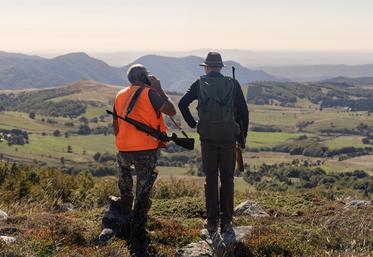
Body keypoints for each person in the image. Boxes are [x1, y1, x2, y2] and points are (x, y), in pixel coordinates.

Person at [100, 64, 176, 254]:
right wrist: (159, 89)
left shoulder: (120, 94)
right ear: (145, 77)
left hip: (123, 146)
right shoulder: (150, 93)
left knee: (124, 178)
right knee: (143, 185)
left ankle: (125, 203)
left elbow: (115, 124)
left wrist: (122, 140)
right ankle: (138, 222)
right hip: (145, 147)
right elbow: (171, 110)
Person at [178, 52, 249, 239]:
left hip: (207, 137)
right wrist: (242, 137)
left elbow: (182, 103)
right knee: (227, 178)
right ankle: (226, 220)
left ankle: (211, 221)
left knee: (210, 178)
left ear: (207, 67)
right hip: (228, 136)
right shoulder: (232, 84)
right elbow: (243, 111)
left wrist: (193, 124)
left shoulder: (199, 83)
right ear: (221, 67)